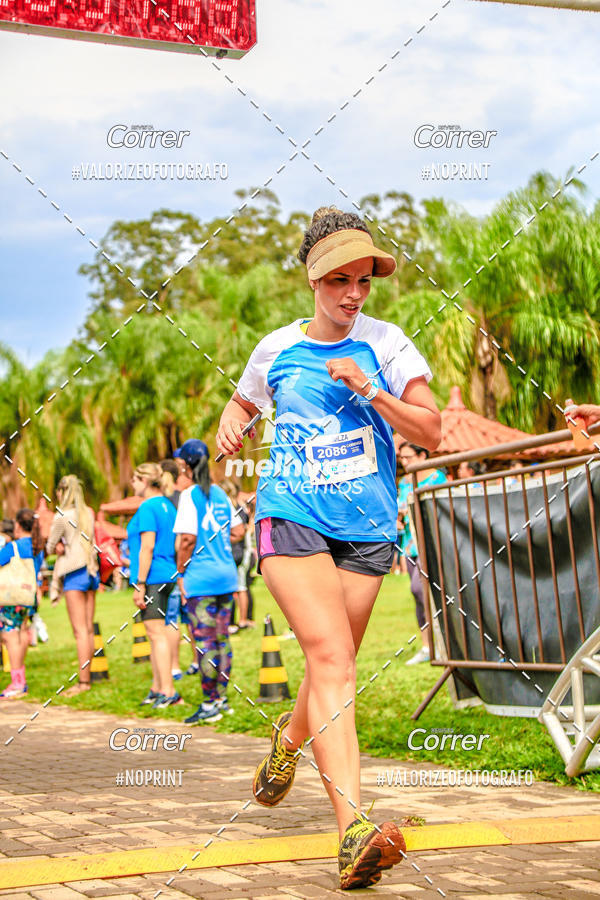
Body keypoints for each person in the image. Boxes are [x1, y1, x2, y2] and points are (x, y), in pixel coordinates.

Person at [216, 207, 441, 890]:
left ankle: (289, 741)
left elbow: (431, 431)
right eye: (340, 280)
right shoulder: (276, 348)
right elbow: (242, 403)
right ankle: (352, 833)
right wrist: (231, 424)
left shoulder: (389, 344)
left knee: (330, 666)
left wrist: (372, 391)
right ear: (313, 279)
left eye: (364, 280)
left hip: (367, 525)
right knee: (333, 659)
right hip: (291, 513)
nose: (354, 294)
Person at [173, 440, 245, 724]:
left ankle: (209, 703)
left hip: (200, 580)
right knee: (222, 640)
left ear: (185, 466)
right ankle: (222, 699)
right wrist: (218, 546)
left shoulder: (189, 495)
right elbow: (238, 531)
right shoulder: (220, 494)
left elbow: (187, 540)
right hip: (226, 576)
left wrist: (181, 572)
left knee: (204, 643)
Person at [127, 462, 180, 708]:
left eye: (135, 479)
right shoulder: (167, 505)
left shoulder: (148, 506)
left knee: (156, 634)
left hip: (153, 577)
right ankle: (157, 687)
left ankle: (168, 690)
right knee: (156, 633)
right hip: (167, 574)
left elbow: (147, 546)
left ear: (145, 481)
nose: (132, 484)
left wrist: (139, 583)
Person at [47, 475, 100, 695]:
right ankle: (88, 677)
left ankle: (84, 682)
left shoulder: (61, 516)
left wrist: (58, 546)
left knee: (79, 632)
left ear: (62, 492)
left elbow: (49, 546)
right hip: (91, 571)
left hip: (74, 572)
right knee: (88, 629)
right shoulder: (88, 513)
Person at [397, 443, 446, 665]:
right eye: (402, 458)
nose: (404, 462)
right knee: (419, 598)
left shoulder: (436, 479)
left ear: (422, 455)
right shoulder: (404, 482)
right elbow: (401, 510)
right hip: (410, 545)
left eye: (408, 457)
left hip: (433, 544)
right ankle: (428, 647)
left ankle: (445, 644)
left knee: (421, 589)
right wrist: (399, 518)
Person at [0, 509, 44, 698]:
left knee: (9, 636)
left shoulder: (14, 546)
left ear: (18, 524)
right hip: (28, 598)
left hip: (11, 598)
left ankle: (17, 682)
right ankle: (19, 680)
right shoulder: (37, 547)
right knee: (21, 634)